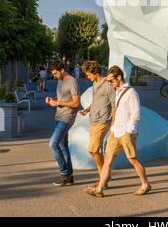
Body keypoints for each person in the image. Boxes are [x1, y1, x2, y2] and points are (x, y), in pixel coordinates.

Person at [87, 65, 151, 198]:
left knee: (133, 159)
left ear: (119, 77)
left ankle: (145, 184)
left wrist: (129, 130)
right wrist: (113, 126)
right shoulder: (117, 91)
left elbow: (136, 114)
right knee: (108, 160)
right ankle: (99, 189)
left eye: (111, 81)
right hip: (115, 131)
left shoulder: (131, 93)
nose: (109, 83)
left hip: (126, 132)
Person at [80, 61, 115, 193]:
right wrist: (88, 109)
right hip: (93, 119)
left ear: (95, 72)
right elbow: (96, 101)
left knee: (93, 149)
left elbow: (114, 104)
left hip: (103, 121)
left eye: (89, 75)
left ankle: (103, 178)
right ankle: (103, 177)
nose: (88, 77)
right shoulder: (95, 84)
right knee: (97, 150)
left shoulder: (108, 85)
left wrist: (114, 121)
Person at [46, 60, 80, 187]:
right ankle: (70, 176)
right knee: (62, 145)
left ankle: (64, 173)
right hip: (58, 116)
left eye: (55, 73)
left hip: (67, 117)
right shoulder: (60, 81)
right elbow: (62, 99)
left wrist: (59, 103)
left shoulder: (72, 81)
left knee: (52, 143)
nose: (54, 76)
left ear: (62, 70)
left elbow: (76, 103)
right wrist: (52, 100)